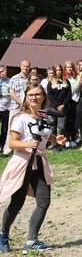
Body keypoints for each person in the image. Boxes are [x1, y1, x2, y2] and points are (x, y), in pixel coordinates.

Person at [0, 83, 66, 254]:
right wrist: (28, 143)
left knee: (43, 202)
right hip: (23, 164)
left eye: (38, 94)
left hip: (39, 163)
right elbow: (12, 143)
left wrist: (54, 139)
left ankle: (31, 240)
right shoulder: (20, 118)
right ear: (26, 98)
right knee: (17, 203)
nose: (35, 98)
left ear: (43, 96)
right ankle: (3, 235)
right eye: (31, 95)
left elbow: (43, 134)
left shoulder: (44, 115)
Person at [46, 64, 71, 152]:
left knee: (61, 127)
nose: (58, 72)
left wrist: (63, 105)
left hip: (63, 108)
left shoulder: (66, 82)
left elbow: (69, 95)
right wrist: (57, 105)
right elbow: (50, 96)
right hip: (53, 108)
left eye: (60, 70)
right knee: (53, 127)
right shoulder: (50, 83)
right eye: (56, 70)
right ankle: (54, 145)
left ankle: (63, 144)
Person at [0, 67, 10, 157]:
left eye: (2, 71)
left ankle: (3, 146)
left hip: (6, 108)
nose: (1, 73)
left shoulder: (10, 81)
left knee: (5, 129)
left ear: (6, 71)